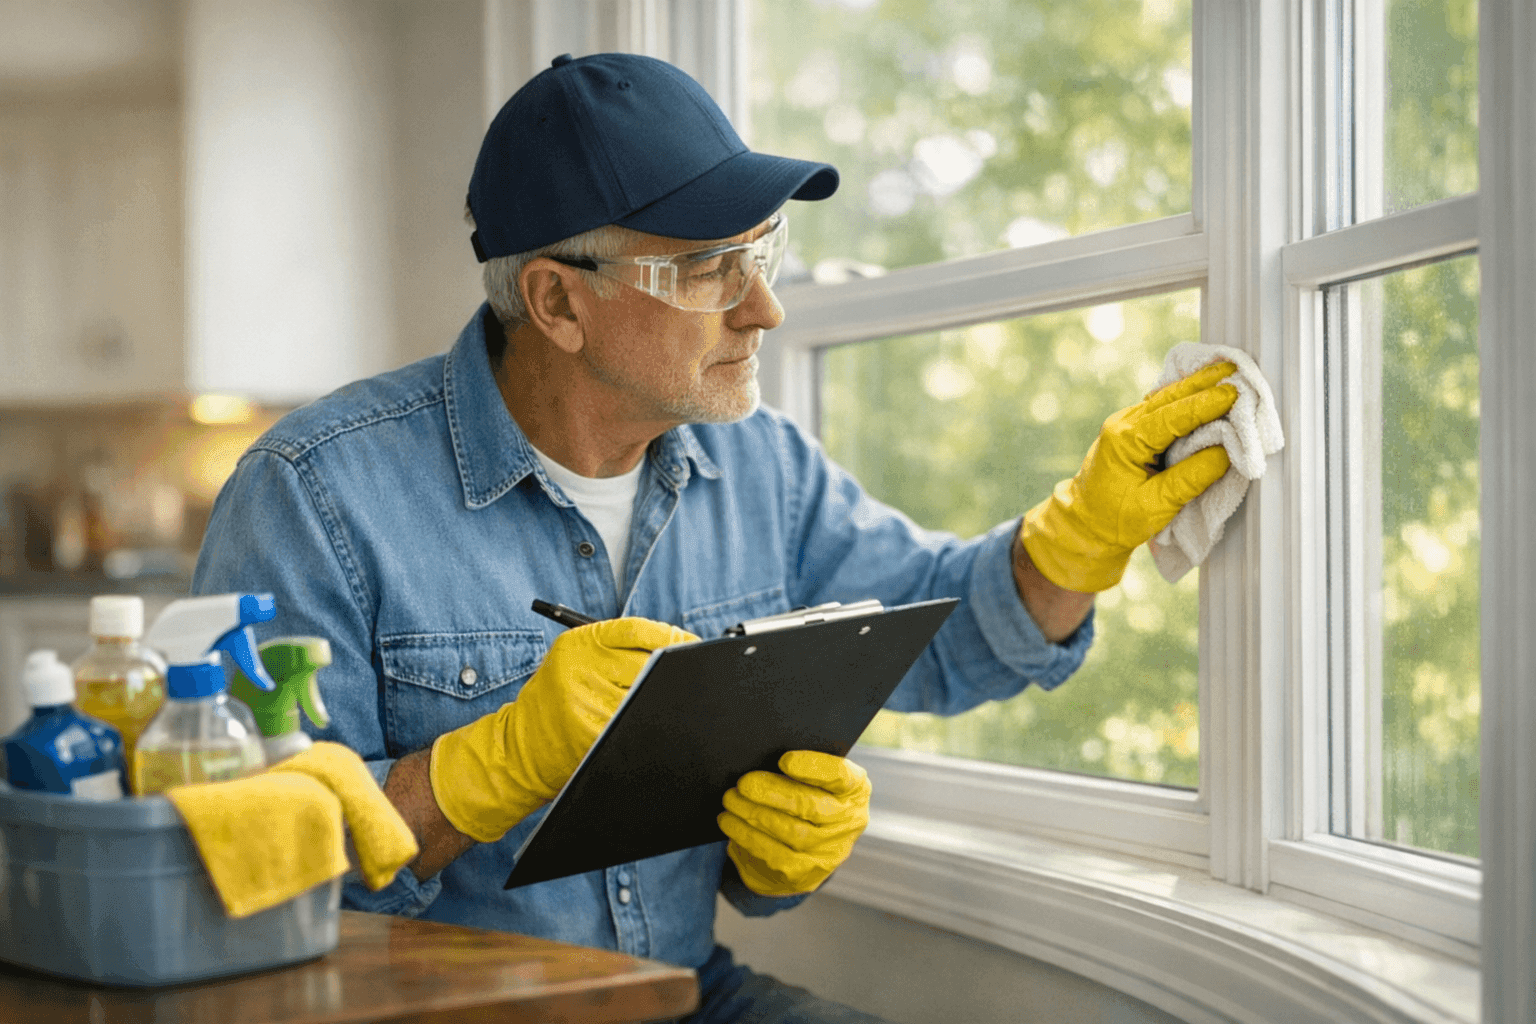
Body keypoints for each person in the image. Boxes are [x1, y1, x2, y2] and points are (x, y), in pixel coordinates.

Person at [193, 52, 1237, 1024]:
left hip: (685, 993)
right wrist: (487, 765)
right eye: (707, 271)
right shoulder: (311, 495)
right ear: (560, 301)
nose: (766, 309)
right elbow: (245, 876)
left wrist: (1079, 536)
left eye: (761, 255)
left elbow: (943, 636)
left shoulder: (762, 470)